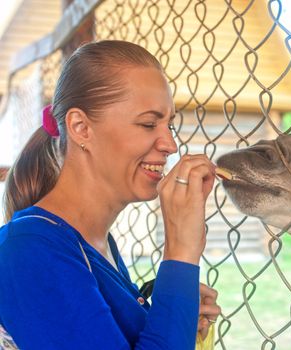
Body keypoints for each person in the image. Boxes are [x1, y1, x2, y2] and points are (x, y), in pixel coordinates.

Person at [0, 40, 220, 349]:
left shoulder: (96, 245)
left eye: (169, 124)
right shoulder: (29, 250)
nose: (170, 144)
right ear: (81, 128)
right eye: (148, 123)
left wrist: (178, 309)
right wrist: (181, 251)